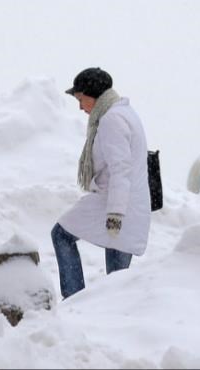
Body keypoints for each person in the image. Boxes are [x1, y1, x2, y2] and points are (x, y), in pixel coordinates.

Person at [51, 67, 151, 299]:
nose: (80, 106)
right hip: (124, 203)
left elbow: (121, 170)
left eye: (80, 99)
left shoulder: (111, 120)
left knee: (61, 235)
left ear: (92, 93)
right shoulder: (122, 113)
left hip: (117, 204)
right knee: (116, 282)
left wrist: (115, 213)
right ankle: (96, 311)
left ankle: (75, 298)